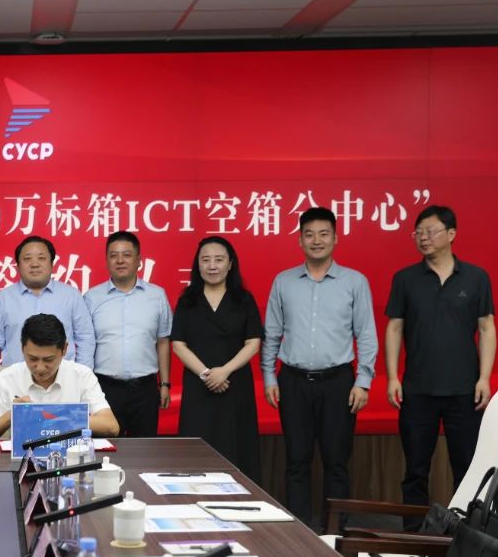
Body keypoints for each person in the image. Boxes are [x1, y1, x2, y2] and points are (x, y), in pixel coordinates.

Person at [261, 208, 377, 527]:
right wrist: (269, 376)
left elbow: (366, 333)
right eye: (309, 235)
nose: (316, 241)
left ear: (335, 238)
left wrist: (363, 381)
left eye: (324, 234)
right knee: (296, 461)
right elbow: (272, 333)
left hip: (339, 382)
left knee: (337, 462)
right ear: (299, 240)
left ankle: (335, 534)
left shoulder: (355, 282)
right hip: (293, 381)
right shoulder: (284, 281)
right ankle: (300, 532)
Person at [386, 205, 496, 518]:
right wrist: (393, 377)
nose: (423, 238)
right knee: (415, 470)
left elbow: (486, 328)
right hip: (417, 390)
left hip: (464, 390)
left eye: (431, 231)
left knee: (467, 468)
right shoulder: (405, 279)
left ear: (451, 234)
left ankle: (464, 534)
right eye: (418, 232)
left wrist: (484, 378)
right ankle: (413, 536)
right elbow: (395, 328)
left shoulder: (476, 277)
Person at [170, 236, 262, 482]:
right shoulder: (187, 301)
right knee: (197, 451)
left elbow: (253, 343)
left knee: (237, 448)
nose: (212, 266)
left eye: (219, 260)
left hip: (235, 385)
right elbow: (178, 345)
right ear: (198, 265)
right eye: (206, 260)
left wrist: (225, 371)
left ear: (230, 264)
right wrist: (206, 374)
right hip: (199, 386)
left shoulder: (243, 299)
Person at [84, 231, 173, 437]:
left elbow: (163, 341)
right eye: (114, 255)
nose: (120, 260)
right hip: (104, 388)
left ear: (138, 260)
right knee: (104, 448)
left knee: (144, 449)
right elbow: (85, 344)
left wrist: (165, 384)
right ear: (107, 260)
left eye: (126, 255)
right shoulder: (91, 298)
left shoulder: (157, 295)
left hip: (145, 389)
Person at [0, 313, 119, 440]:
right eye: (32, 358)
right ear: (22, 349)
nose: (40, 368)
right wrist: (12, 415)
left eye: (48, 360)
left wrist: (60, 417)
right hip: (24, 457)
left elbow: (111, 426)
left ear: (64, 349)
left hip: (71, 456)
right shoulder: (8, 377)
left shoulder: (82, 375)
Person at [0, 235, 95, 367]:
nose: (34, 264)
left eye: (41, 258)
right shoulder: (2, 299)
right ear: (18, 265)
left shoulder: (71, 296)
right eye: (27, 259)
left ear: (52, 263)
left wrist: (81, 374)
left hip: (63, 377)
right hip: (16, 377)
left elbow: (85, 339)